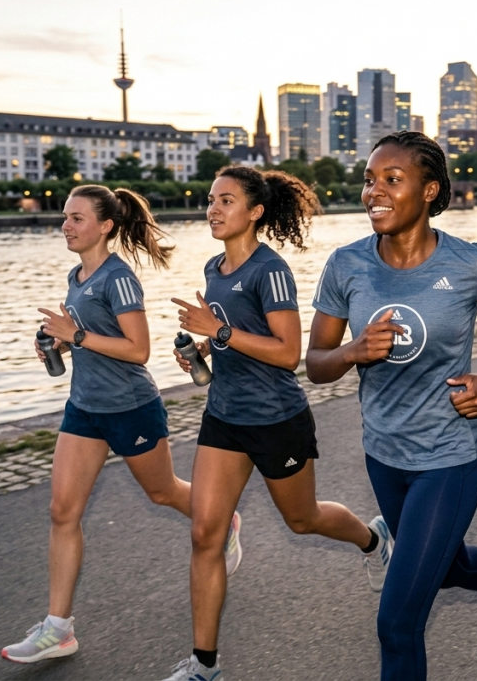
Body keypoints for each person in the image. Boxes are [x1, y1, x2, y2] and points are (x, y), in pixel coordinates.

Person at [307, 131, 477, 681]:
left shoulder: (471, 263)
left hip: (450, 454)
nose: (375, 191)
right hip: (384, 454)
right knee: (444, 568)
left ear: (430, 190)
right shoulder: (346, 265)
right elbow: (316, 364)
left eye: (392, 180)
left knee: (397, 622)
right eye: (369, 180)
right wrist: (353, 349)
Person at [160, 166, 393, 681]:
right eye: (211, 200)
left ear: (255, 212)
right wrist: (204, 347)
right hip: (224, 415)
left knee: (302, 519)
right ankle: (204, 666)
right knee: (205, 534)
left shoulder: (271, 270)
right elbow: (238, 337)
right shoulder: (214, 269)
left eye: (226, 201)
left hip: (275, 419)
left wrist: (217, 330)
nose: (213, 209)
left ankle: (375, 542)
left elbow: (289, 353)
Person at [2, 185, 241, 664]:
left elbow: (138, 350)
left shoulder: (119, 278)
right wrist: (66, 345)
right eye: (65, 218)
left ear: (106, 225)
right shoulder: (78, 275)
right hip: (84, 408)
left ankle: (222, 518)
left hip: (130, 406)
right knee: (62, 511)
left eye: (77, 218)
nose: (66, 225)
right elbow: (98, 339)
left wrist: (77, 333)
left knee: (163, 492)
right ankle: (58, 628)